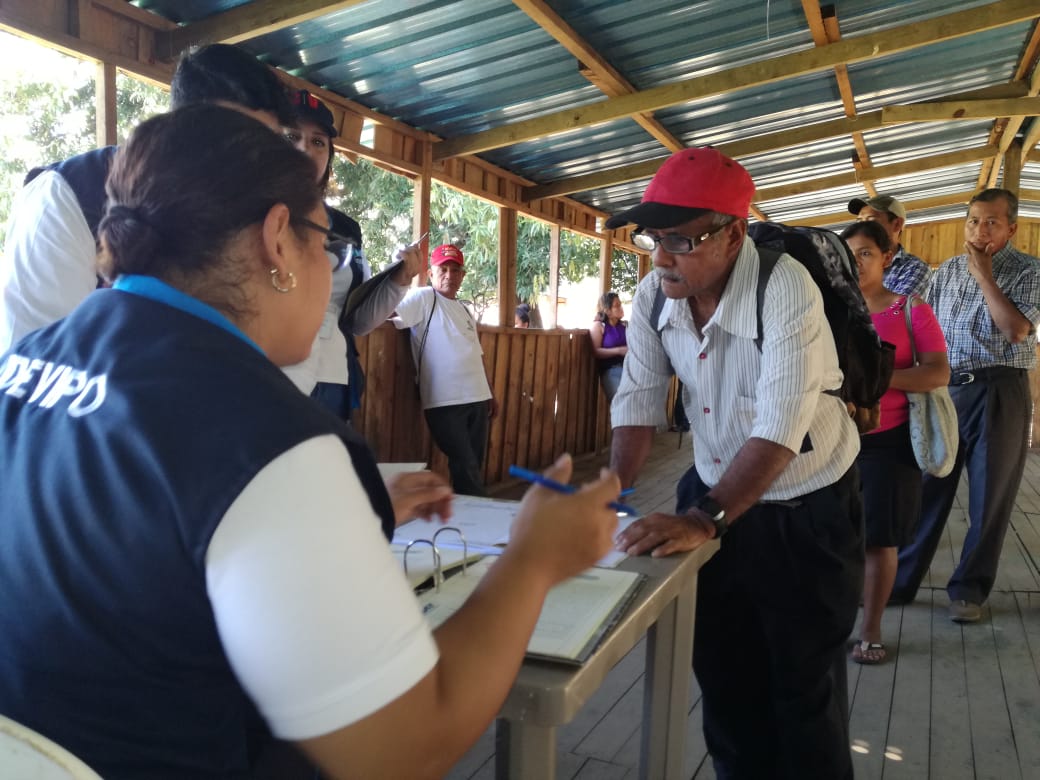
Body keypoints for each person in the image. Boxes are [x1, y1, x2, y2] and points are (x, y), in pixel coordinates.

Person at [0, 104, 623, 780]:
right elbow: (404, 748)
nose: (331, 270)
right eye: (327, 244)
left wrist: (345, 503)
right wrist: (532, 559)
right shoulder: (263, 439)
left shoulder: (28, 360)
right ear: (277, 240)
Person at [605, 147, 863, 778]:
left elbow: (779, 430)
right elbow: (637, 401)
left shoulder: (785, 288)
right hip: (714, 491)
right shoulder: (653, 297)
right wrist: (609, 491)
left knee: (802, 696)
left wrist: (704, 519)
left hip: (807, 508)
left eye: (681, 240)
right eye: (653, 238)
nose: (660, 257)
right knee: (724, 684)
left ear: (733, 234)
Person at [0, 43, 297, 352]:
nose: (253, 163)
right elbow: (38, 356)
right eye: (238, 142)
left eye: (267, 148)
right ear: (183, 126)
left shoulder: (242, 211)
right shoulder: (66, 194)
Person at [893, 188, 1040, 623]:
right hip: (949, 389)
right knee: (928, 485)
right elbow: (928, 331)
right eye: (974, 221)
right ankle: (900, 580)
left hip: (1000, 390)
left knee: (989, 495)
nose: (980, 230)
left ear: (1011, 228)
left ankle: (968, 591)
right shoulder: (949, 270)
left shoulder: (1029, 270)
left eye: (992, 222)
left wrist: (985, 275)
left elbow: (1016, 331)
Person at [840, 221, 949, 665]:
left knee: (879, 540)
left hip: (890, 442)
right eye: (849, 254)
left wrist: (877, 379)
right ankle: (832, 622)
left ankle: (870, 630)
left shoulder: (911, 310)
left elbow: (937, 372)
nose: (856, 263)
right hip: (833, 441)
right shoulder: (830, 311)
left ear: (887, 258)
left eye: (866, 253)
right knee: (831, 535)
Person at [280, 89, 422, 420]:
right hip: (269, 377)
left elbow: (358, 322)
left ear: (329, 157)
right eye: (291, 137)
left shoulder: (346, 228)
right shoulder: (244, 216)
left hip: (334, 380)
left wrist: (400, 280)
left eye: (318, 142)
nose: (305, 149)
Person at [392, 244, 498, 496]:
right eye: (443, 269)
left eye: (455, 270)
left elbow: (477, 353)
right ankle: (478, 512)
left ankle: (466, 511)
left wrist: (490, 392)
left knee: (473, 464)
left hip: (478, 397)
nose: (450, 275)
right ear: (431, 273)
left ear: (463, 275)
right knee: (465, 464)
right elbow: (388, 310)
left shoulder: (464, 310)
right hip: (445, 400)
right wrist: (398, 274)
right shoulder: (423, 298)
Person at [848, 194, 931, 298]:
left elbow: (897, 307)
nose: (861, 229)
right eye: (859, 222)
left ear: (897, 224)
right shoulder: (849, 264)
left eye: (871, 221)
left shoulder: (913, 268)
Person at [589, 291, 628, 402]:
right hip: (610, 371)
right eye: (617, 305)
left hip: (629, 370)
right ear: (608, 311)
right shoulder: (599, 326)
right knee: (620, 403)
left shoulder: (624, 325)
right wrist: (619, 351)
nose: (621, 308)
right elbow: (596, 351)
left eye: (620, 304)